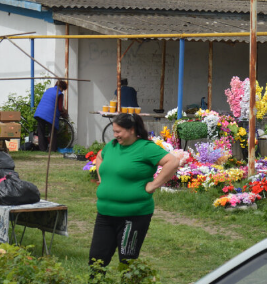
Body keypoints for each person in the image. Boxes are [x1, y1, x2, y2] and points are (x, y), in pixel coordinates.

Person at [89, 113, 179, 268]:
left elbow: (172, 162)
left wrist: (153, 185)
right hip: (105, 214)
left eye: (118, 131)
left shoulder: (145, 148)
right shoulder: (112, 146)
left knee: (127, 261)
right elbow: (99, 156)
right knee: (96, 259)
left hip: (133, 216)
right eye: (114, 131)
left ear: (131, 130)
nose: (115, 135)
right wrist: (102, 178)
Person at [33, 80, 68, 152]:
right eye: (63, 89)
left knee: (41, 132)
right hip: (49, 113)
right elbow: (60, 108)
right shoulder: (59, 94)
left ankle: (42, 149)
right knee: (52, 132)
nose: (63, 91)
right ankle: (52, 149)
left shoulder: (49, 90)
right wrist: (64, 112)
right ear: (62, 87)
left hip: (40, 112)